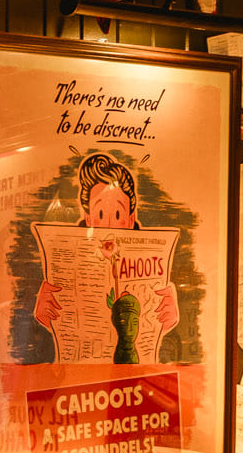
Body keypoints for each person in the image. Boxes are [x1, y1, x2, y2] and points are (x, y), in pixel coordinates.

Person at [31, 152, 180, 365]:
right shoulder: (71, 266)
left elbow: (171, 353)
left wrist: (169, 320)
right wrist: (44, 319)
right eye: (100, 214)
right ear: (88, 217)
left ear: (130, 219)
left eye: (118, 215)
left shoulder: (151, 261)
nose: (109, 223)